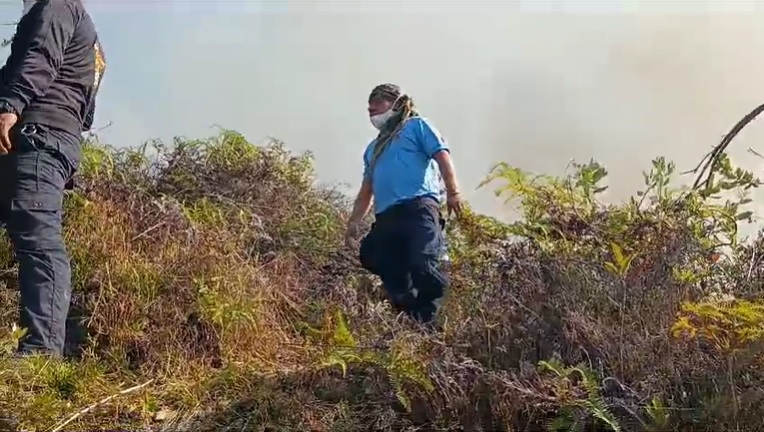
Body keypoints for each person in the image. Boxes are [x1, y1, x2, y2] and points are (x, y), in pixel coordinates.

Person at [0, 0, 106, 357]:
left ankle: (41, 351)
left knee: (39, 237)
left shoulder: (58, 6)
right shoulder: (89, 36)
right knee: (36, 234)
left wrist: (11, 106)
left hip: (37, 136)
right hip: (46, 138)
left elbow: (41, 58)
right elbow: (86, 110)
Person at [345, 83, 463, 325]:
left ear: (396, 104)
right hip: (386, 215)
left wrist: (453, 192)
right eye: (369, 108)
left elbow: (442, 154)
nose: (373, 112)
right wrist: (354, 223)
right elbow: (366, 190)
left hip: (418, 207)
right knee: (372, 255)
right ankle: (408, 307)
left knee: (423, 262)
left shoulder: (416, 126)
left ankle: (431, 317)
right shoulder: (374, 148)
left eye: (378, 105)